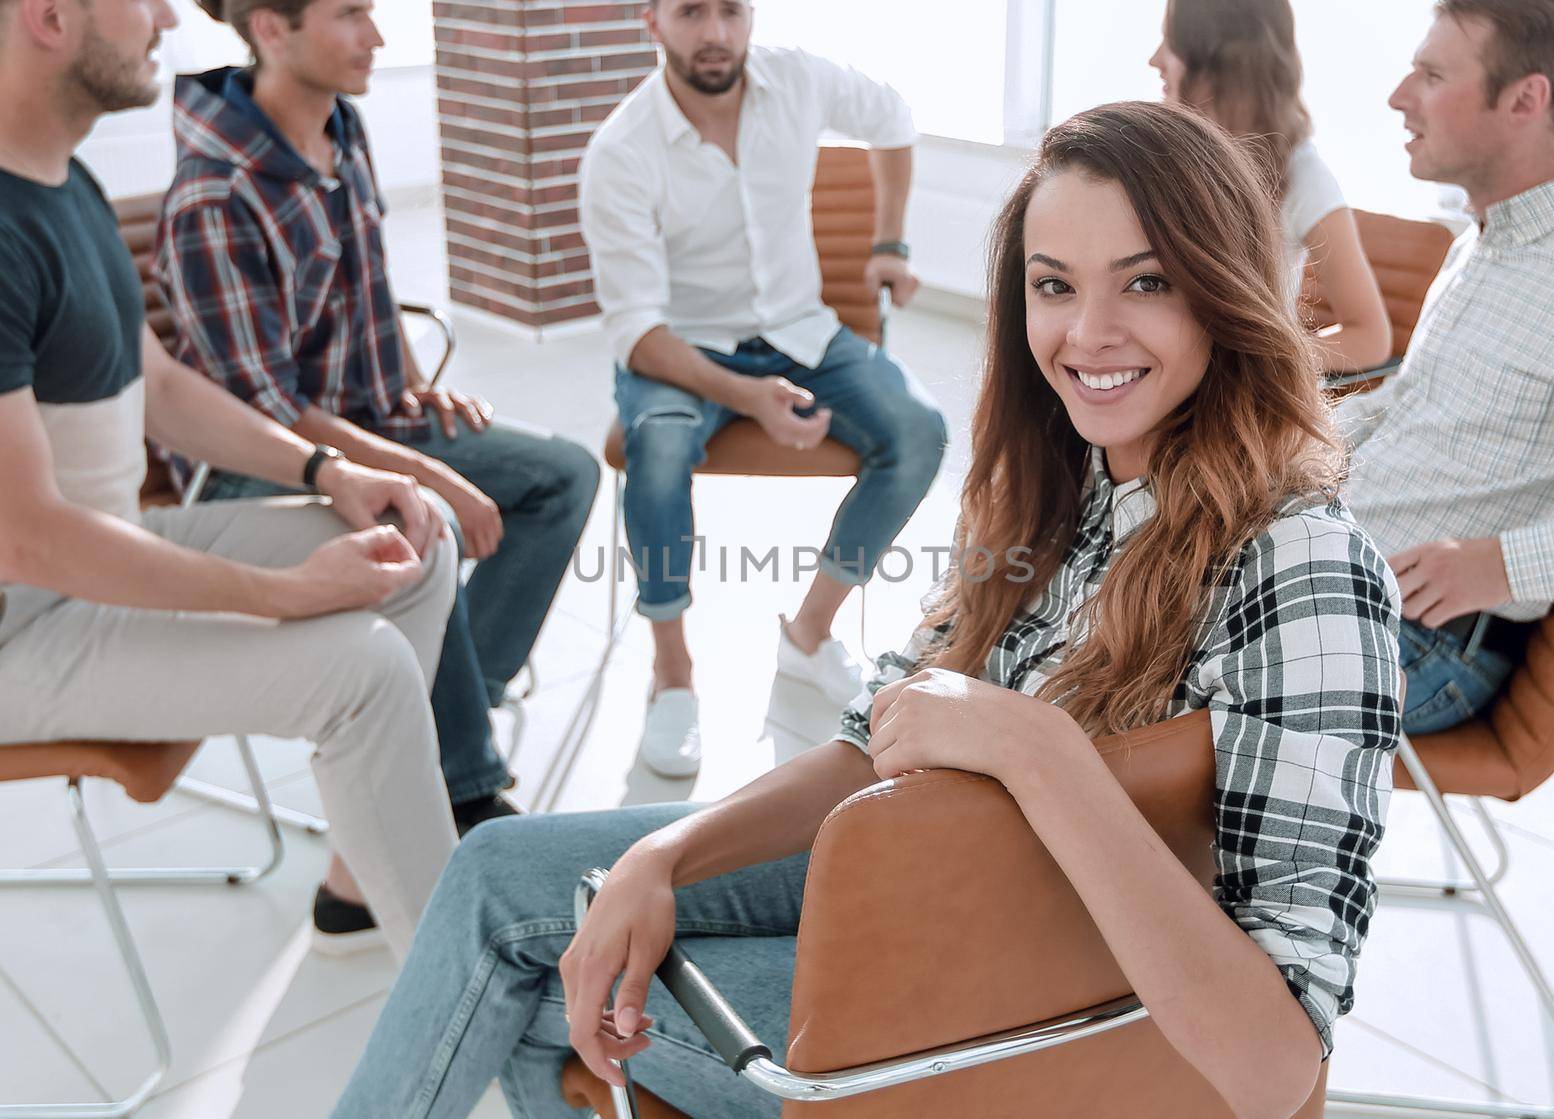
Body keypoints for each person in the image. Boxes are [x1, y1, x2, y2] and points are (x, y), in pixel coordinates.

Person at [333, 101, 1404, 1119]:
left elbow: (1273, 1068)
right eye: (1052, 285)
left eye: (1147, 282)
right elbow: (873, 739)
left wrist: (1039, 754)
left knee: (540, 986)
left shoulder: (1304, 567)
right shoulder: (1066, 483)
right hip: (928, 882)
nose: (1088, 332)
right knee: (501, 876)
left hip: (1012, 1018)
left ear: (1224, 290)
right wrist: (666, 855)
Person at [0, 0, 457, 957]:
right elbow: (26, 535)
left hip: (96, 563)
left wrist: (329, 468)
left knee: (415, 537)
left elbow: (160, 388)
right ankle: (474, 1004)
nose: (167, 15)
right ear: (49, 19)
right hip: (21, 627)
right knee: (365, 672)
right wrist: (284, 594)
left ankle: (363, 881)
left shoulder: (62, 182)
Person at [157, 0, 601, 837]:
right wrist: (423, 470)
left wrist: (408, 383)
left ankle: (436, 714)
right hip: (259, 464)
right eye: (351, 14)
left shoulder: (340, 127)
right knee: (423, 517)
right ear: (270, 29)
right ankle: (465, 787)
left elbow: (367, 279)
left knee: (563, 475)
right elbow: (267, 411)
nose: (379, 37)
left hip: (367, 422)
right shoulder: (215, 195)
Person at [578, 0, 948, 778]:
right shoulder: (620, 151)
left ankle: (808, 634)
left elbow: (895, 118)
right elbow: (637, 332)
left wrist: (891, 242)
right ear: (651, 21)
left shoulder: (798, 79)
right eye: (690, 12)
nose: (715, 31)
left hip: (800, 331)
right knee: (657, 443)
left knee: (920, 431)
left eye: (731, 10)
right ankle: (672, 670)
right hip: (681, 347)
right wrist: (749, 398)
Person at [1341, 0, 1554, 734]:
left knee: (1132, 674)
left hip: (1430, 641)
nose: (1398, 97)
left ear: (1526, 98)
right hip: (1342, 573)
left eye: (1430, 75)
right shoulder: (1482, 238)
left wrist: (1506, 566)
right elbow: (1408, 403)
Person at [1150, 0, 1394, 373]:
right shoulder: (1164, 151)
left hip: (1226, 398)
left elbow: (1370, 338)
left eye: (1171, 42)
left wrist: (1252, 363)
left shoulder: (1302, 175)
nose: (1154, 59)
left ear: (1221, 61)